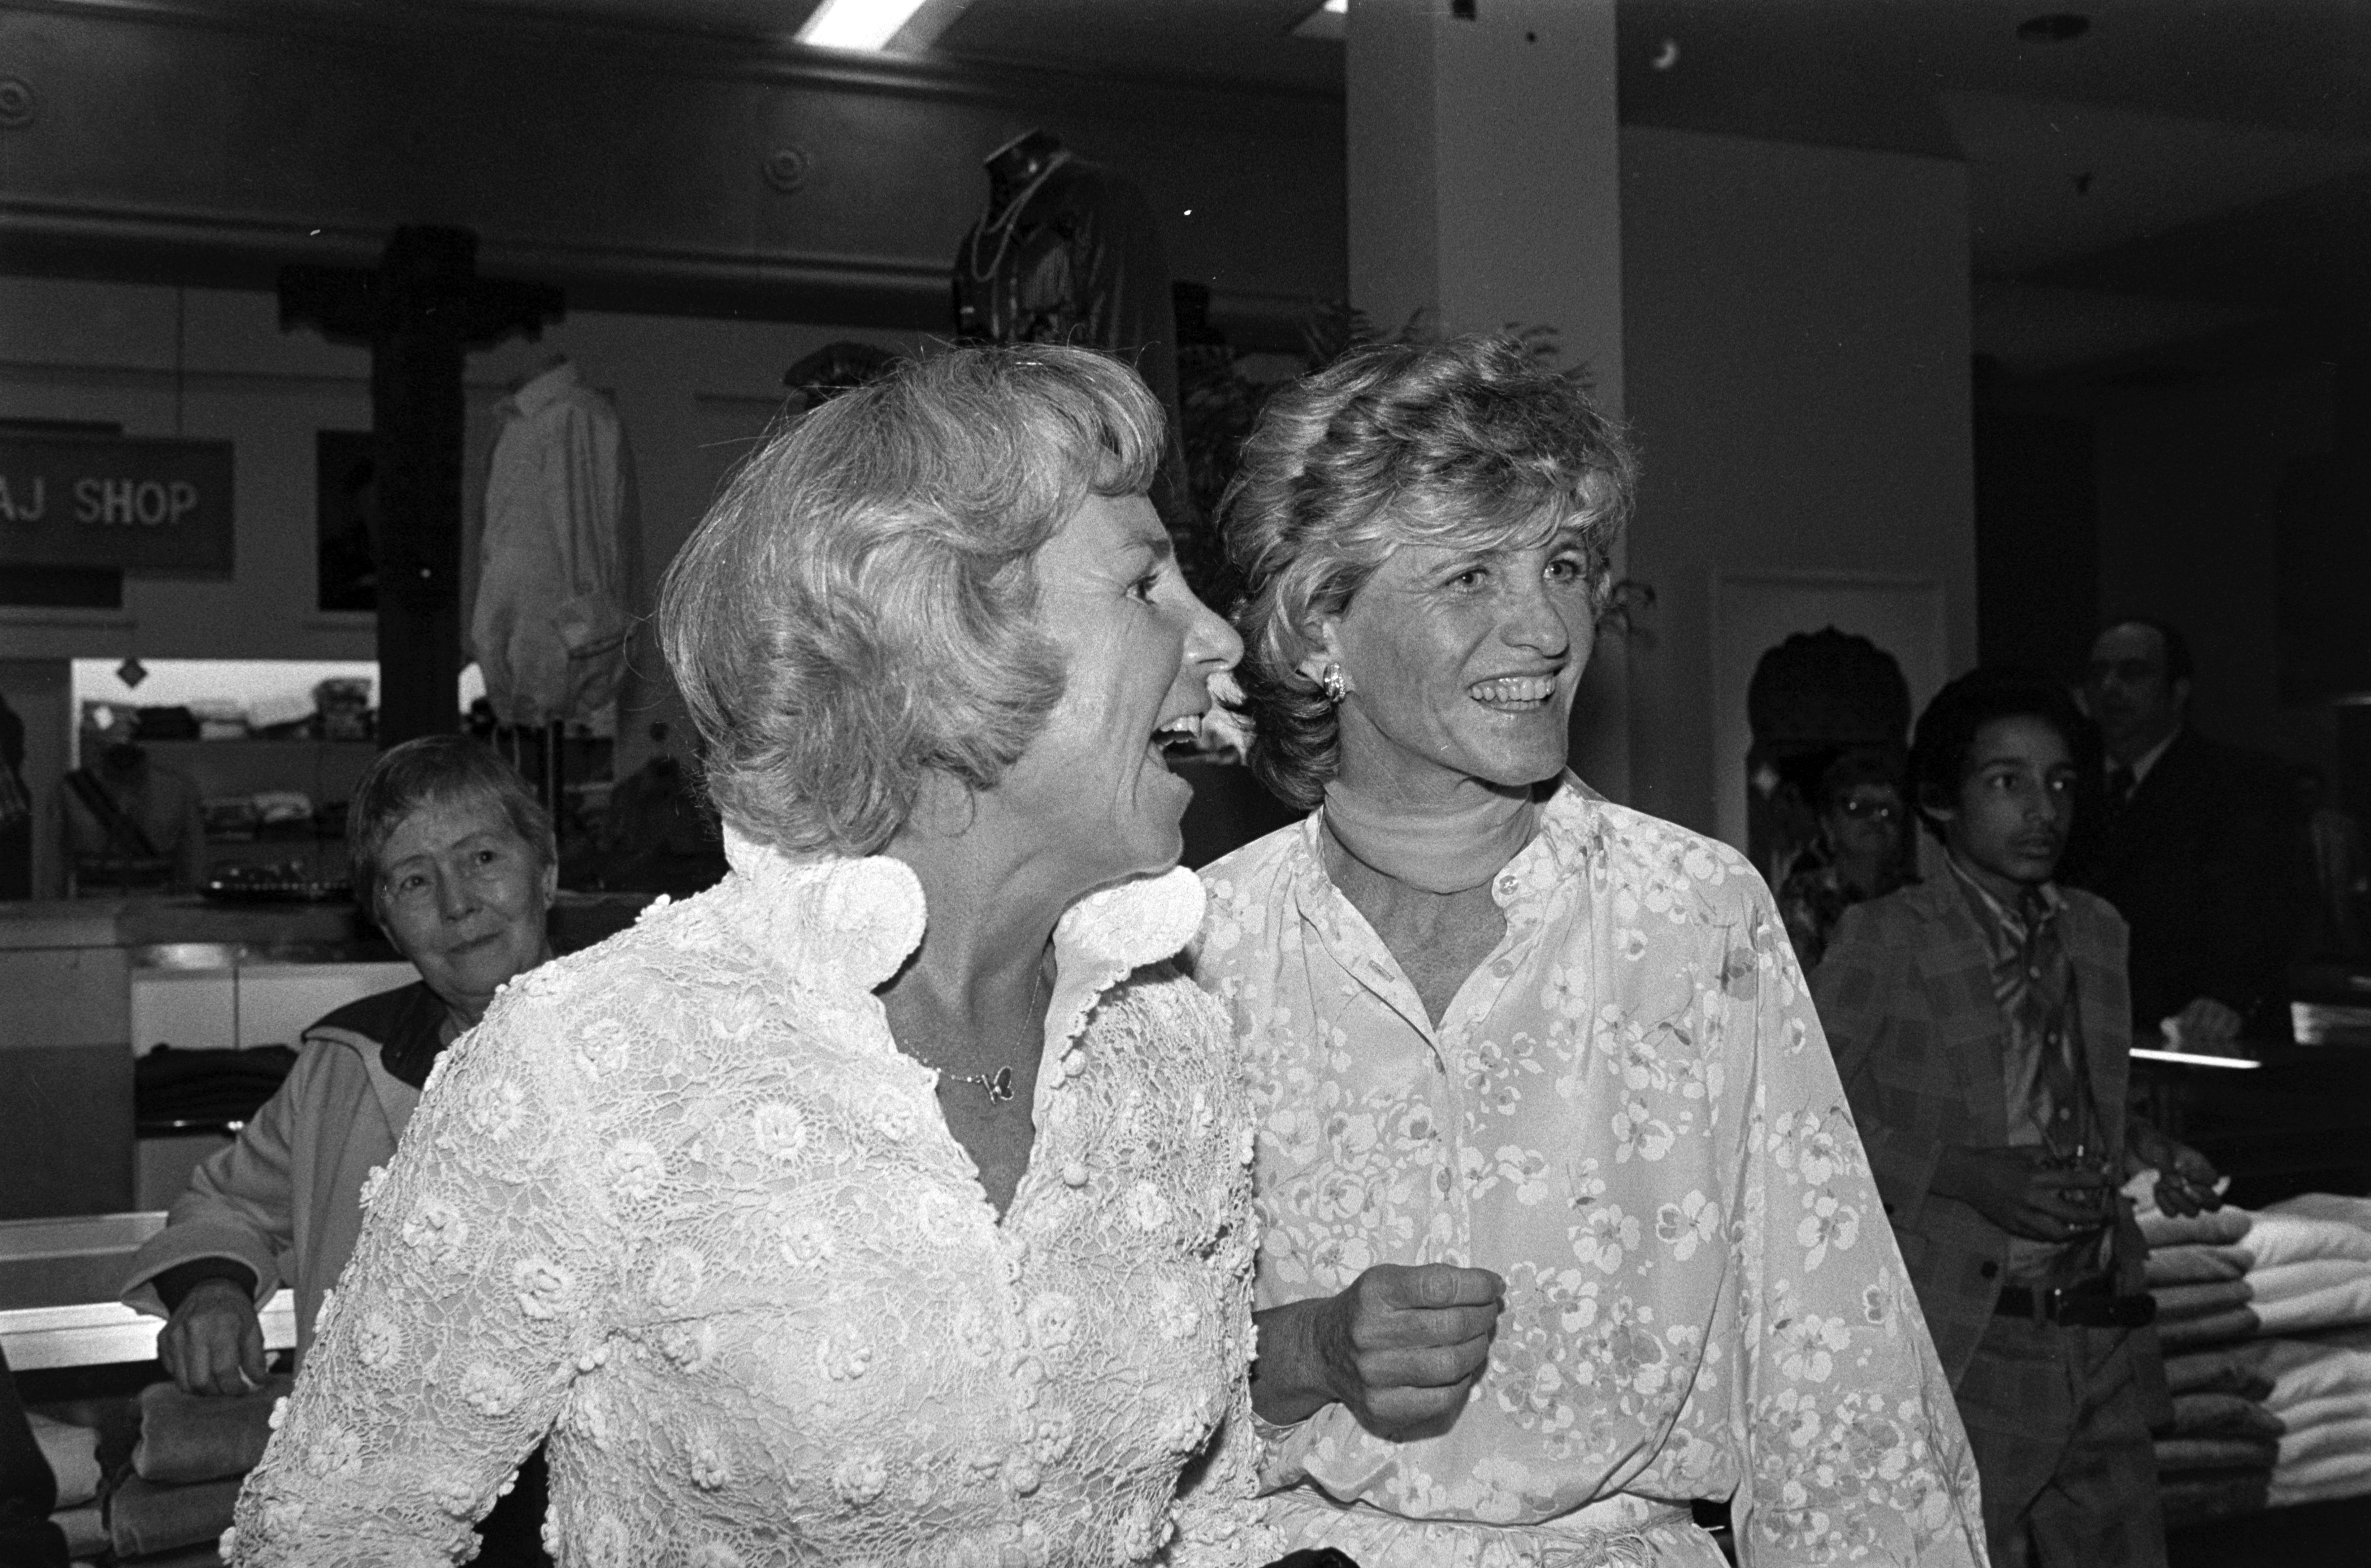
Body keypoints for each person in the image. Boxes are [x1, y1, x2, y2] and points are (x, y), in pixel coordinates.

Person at [231, 344, 1278, 1568]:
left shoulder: (1171, 1047)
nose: (1222, 642)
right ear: (941, 637)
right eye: (1147, 584)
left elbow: (1210, 1515)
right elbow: (336, 1539)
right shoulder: (597, 1062)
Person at [1197, 337, 1985, 1567]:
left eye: (1562, 564)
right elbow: (1094, 1385)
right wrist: (1305, 1350)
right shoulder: (1202, 951)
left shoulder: (1689, 916)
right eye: (1468, 575)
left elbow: (1828, 1360)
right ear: (1317, 636)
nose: (1547, 627)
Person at [1814, 669, 2225, 1568]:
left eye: (2060, 782)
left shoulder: (2095, 931)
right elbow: (1803, 1125)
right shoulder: (1889, 936)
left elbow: (2081, 1097)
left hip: (2100, 1328)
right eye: (2005, 781)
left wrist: (2154, 1152)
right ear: (1940, 801)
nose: (2041, 807)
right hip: (1972, 1334)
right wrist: (1962, 1172)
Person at [122, 732, 559, 1562]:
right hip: (383, 1513)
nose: (458, 903)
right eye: (414, 880)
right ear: (386, 922)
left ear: (547, 872)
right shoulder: (345, 1064)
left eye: (484, 857)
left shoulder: (648, 1049)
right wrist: (213, 1291)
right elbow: (225, 1201)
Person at [2070, 620, 2293, 1046]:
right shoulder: (2070, 786)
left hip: (2203, 1038)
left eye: (2133, 672)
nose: (2111, 687)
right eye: (2098, 674)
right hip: (2097, 1036)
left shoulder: (2240, 784)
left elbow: (2270, 909)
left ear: (2178, 690)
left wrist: (2229, 996)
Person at [1777, 747, 1913, 971]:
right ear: (1829, 825)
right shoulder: (1805, 894)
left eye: (1889, 811)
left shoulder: (1918, 898)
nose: (1877, 819)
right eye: (1859, 808)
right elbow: (1802, 988)